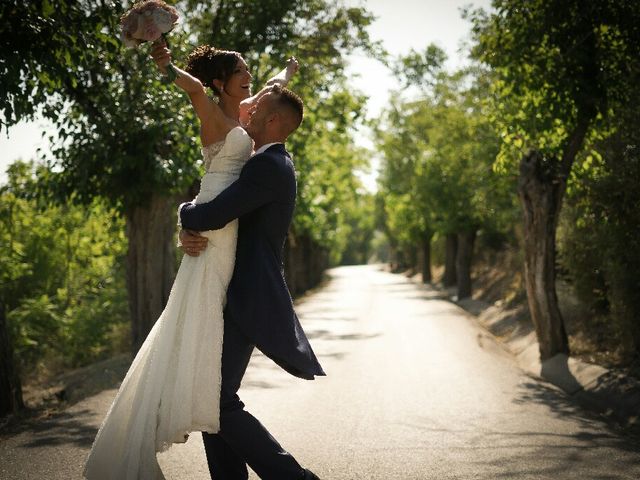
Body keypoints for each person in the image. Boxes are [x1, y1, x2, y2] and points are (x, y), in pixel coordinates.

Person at [83, 42, 321, 480]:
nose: (251, 99)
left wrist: (184, 217)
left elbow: (213, 212)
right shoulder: (255, 142)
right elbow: (242, 91)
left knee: (215, 400)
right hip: (223, 273)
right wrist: (283, 76)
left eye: (259, 102)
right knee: (211, 393)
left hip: (243, 289)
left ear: (269, 120)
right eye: (245, 80)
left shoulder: (269, 166)